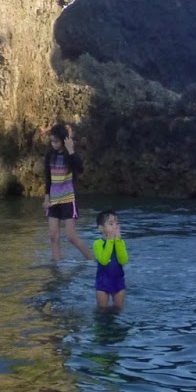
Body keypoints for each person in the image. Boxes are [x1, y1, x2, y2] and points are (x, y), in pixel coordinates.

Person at [44, 123, 91, 262]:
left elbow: (80, 168)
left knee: (71, 236)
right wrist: (46, 198)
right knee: (53, 235)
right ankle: (57, 264)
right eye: (52, 141)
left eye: (56, 141)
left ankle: (91, 260)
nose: (54, 144)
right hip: (53, 200)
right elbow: (48, 178)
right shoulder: (49, 156)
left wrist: (71, 150)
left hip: (68, 199)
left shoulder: (70, 156)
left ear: (64, 140)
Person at [93, 209, 128, 310]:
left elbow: (123, 260)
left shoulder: (120, 242)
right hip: (103, 282)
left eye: (117, 224)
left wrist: (118, 241)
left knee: (118, 309)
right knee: (102, 311)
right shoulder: (98, 243)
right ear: (101, 228)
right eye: (111, 224)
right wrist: (109, 241)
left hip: (118, 281)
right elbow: (104, 260)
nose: (115, 227)